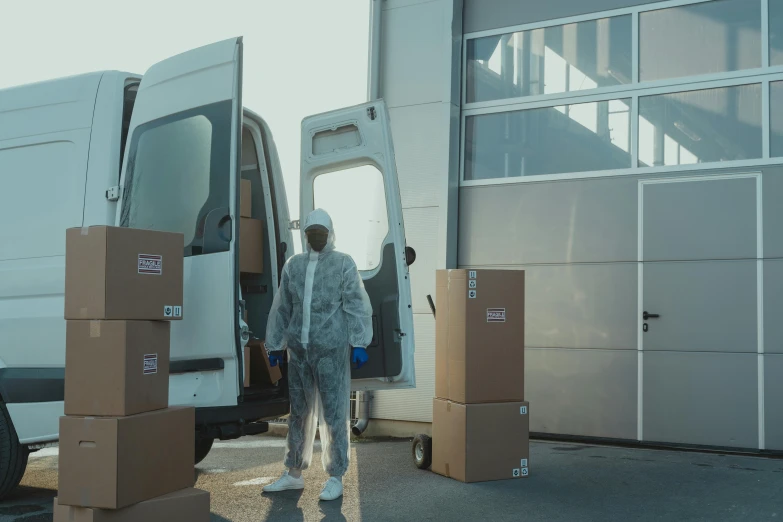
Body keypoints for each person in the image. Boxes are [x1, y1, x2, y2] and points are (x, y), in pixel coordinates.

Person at [262, 208, 373, 501]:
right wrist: (274, 344)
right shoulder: (293, 266)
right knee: (298, 412)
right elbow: (282, 307)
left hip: (330, 350)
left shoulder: (342, 264)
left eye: (321, 234)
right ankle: (293, 473)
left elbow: (355, 304)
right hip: (298, 350)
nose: (316, 239)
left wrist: (359, 341)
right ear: (305, 235)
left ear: (330, 234)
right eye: (311, 234)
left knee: (335, 412)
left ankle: (336, 476)